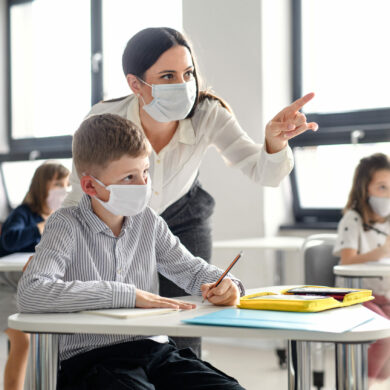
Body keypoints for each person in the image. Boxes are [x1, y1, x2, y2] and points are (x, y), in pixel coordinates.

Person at [63, 27, 318, 355]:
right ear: (135, 84)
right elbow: (78, 190)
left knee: (187, 315)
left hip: (184, 214)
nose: (182, 85)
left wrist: (275, 141)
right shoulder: (103, 118)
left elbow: (262, 171)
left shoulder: (208, 112)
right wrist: (52, 245)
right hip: (118, 218)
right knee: (122, 316)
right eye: (167, 76)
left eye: (188, 73)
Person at [17, 114, 245, 390]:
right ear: (90, 186)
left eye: (145, 172)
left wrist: (227, 285)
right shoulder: (66, 225)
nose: (143, 185)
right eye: (128, 177)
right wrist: (127, 295)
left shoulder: (147, 221)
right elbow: (32, 293)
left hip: (157, 351)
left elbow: (192, 270)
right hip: (91, 359)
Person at [0, 161, 69, 390]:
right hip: (7, 287)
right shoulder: (24, 214)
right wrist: (42, 226)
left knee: (52, 342)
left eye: (67, 184)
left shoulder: (61, 218)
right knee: (23, 342)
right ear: (42, 186)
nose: (63, 189)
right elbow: (9, 240)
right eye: (58, 183)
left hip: (35, 288)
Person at [333, 153, 390, 384]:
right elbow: (346, 260)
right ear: (364, 188)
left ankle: (376, 382)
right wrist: (380, 253)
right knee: (384, 336)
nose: (388, 194)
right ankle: (363, 384)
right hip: (355, 295)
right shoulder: (352, 220)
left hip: (383, 295)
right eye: (382, 187)